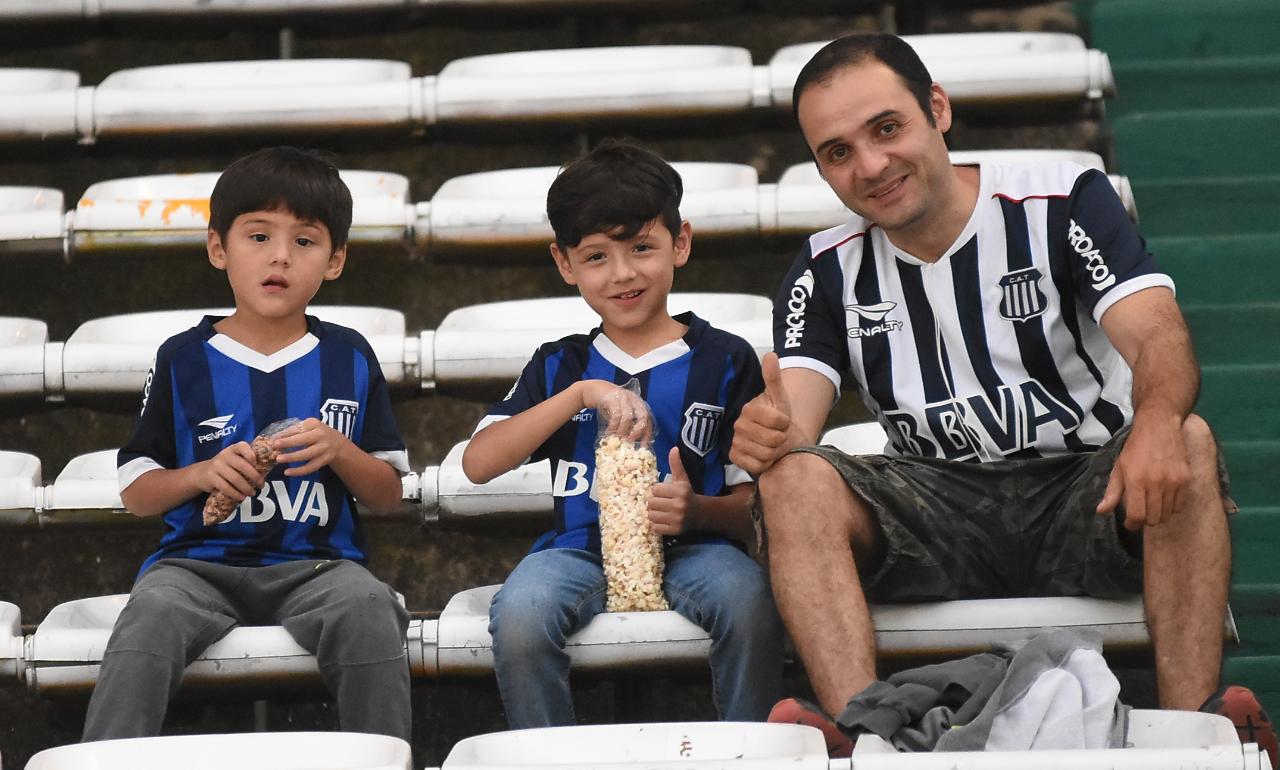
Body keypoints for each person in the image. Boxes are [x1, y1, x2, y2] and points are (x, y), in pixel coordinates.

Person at [729, 33, 1275, 760]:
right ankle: (862, 739)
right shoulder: (824, 270)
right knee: (794, 481)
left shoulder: (1062, 203)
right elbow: (793, 420)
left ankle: (1193, 733)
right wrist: (768, 436)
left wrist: (1157, 418)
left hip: (1087, 491)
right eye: (837, 152)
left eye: (887, 128)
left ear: (938, 109)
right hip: (936, 510)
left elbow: (1158, 335)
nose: (870, 165)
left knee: (1188, 437)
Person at [83, 147, 412, 742]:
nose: (280, 256)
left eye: (305, 242)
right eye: (258, 236)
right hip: (195, 569)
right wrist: (199, 475)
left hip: (320, 567)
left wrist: (340, 450)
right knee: (149, 616)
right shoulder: (182, 359)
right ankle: (104, 756)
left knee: (370, 607)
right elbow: (138, 491)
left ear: (335, 261)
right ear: (218, 249)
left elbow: (389, 496)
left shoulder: (351, 357)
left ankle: (388, 755)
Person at [462, 139, 783, 729]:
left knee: (751, 601)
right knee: (523, 614)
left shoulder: (725, 361)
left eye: (642, 247)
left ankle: (750, 747)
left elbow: (756, 504)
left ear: (680, 242)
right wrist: (579, 395)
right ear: (564, 264)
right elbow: (478, 463)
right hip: (576, 550)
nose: (623, 273)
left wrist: (700, 512)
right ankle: (546, 755)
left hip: (699, 549)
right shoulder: (560, 366)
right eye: (596, 257)